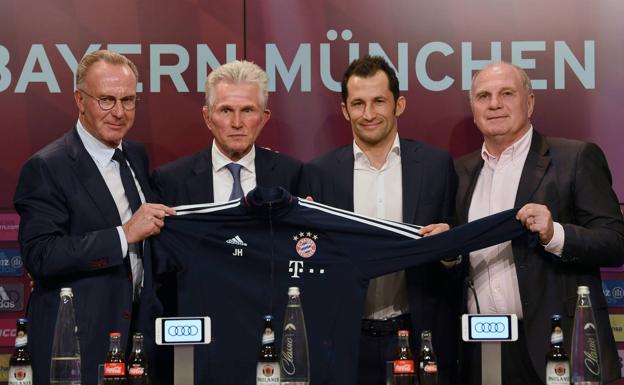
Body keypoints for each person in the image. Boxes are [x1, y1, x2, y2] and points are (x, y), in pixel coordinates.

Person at [13, 50, 175, 385]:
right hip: (78, 343)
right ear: (80, 99)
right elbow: (41, 255)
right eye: (106, 100)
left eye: (128, 100)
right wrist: (123, 234)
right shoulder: (47, 167)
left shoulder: (136, 155)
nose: (119, 112)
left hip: (138, 340)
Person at [456, 61, 624, 384]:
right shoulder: (460, 172)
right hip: (482, 351)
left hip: (558, 347)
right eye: (483, 96)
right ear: (473, 108)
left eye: (507, 93)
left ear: (529, 102)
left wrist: (555, 234)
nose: (494, 104)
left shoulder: (575, 158)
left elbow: (616, 242)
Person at [301, 55, 458, 385]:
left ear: (399, 104)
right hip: (343, 339)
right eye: (358, 103)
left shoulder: (435, 166)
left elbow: (458, 250)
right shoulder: (318, 173)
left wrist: (450, 249)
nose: (368, 114)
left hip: (417, 336)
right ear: (345, 110)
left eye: (379, 102)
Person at [151, 60, 302, 206]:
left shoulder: (293, 175)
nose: (237, 123)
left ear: (263, 118)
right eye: (226, 110)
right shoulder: (171, 180)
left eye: (247, 110)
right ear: (208, 117)